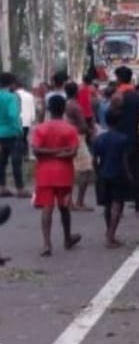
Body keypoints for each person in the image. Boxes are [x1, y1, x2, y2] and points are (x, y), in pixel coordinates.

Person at [31, 95, 81, 256]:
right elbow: (72, 152)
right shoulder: (70, 129)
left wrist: (49, 153)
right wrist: (60, 152)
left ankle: (47, 244)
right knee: (64, 208)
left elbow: (36, 150)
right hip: (64, 173)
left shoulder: (40, 128)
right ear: (64, 110)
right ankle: (67, 238)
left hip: (45, 173)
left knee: (47, 208)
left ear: (49, 109)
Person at [93, 109, 130, 248]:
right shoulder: (123, 139)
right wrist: (129, 176)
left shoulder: (99, 139)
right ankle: (111, 235)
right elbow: (124, 160)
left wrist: (97, 173)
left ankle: (109, 232)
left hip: (103, 174)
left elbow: (94, 159)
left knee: (107, 206)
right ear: (119, 122)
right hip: (118, 174)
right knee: (117, 206)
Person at [110, 67, 139, 215]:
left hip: (120, 138)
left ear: (118, 78)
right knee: (136, 171)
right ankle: (138, 206)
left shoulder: (118, 96)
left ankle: (118, 207)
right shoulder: (137, 96)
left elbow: (111, 116)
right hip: (135, 136)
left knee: (119, 172)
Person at [64, 82, 93, 211]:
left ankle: (69, 200)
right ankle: (79, 201)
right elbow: (82, 126)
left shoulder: (65, 104)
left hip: (67, 138)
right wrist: (91, 131)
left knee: (71, 170)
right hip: (77, 138)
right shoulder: (76, 106)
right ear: (77, 92)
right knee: (86, 170)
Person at [0, 73, 25, 198]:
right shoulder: (11, 97)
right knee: (16, 162)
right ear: (11, 84)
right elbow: (13, 115)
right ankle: (20, 189)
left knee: (1, 162)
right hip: (12, 133)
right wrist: (19, 129)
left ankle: (2, 187)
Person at [16, 79, 35, 161]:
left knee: (17, 138)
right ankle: (25, 154)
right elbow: (32, 108)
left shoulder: (13, 95)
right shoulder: (30, 95)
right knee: (24, 138)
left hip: (17, 120)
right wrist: (33, 119)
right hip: (27, 120)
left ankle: (19, 154)